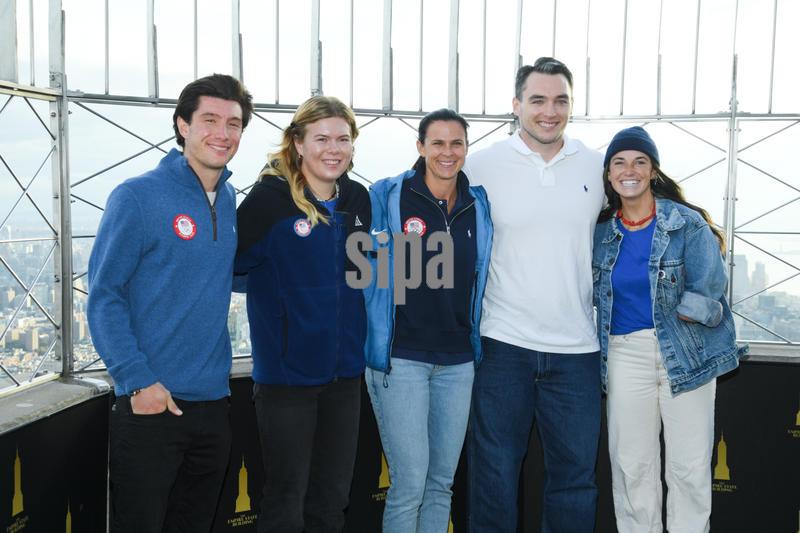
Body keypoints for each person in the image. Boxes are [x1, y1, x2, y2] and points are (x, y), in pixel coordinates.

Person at [87, 73, 253, 533]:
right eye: (210, 120)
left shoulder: (230, 197)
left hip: (213, 405)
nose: (223, 133)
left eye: (234, 124)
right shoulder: (137, 196)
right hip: (152, 406)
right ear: (182, 124)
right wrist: (139, 384)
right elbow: (104, 297)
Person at [463, 57, 605, 532]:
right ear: (516, 105)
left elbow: (646, 207)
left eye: (561, 100)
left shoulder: (596, 164)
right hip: (503, 347)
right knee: (494, 476)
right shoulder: (479, 165)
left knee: (575, 480)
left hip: (577, 352)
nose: (550, 110)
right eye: (538, 99)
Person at [593, 126, 746, 532]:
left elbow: (710, 287)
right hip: (625, 353)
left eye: (639, 161)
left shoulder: (686, 223)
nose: (630, 170)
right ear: (609, 175)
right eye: (620, 162)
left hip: (686, 349)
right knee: (631, 466)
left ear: (653, 171)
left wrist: (680, 319)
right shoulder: (601, 233)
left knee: (690, 466)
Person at [234, 95, 371, 533]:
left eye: (343, 139)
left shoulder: (359, 199)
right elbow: (231, 267)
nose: (334, 148)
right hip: (287, 379)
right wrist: (285, 304)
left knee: (332, 499)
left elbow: (365, 276)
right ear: (297, 142)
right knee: (285, 501)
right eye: (322, 138)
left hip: (345, 376)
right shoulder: (269, 200)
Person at [364, 109, 493, 532]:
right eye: (437, 143)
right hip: (402, 360)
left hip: (458, 362)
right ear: (420, 148)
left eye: (457, 143)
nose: (447, 152)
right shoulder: (388, 195)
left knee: (441, 484)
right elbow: (363, 274)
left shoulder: (479, 204)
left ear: (466, 149)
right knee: (409, 485)